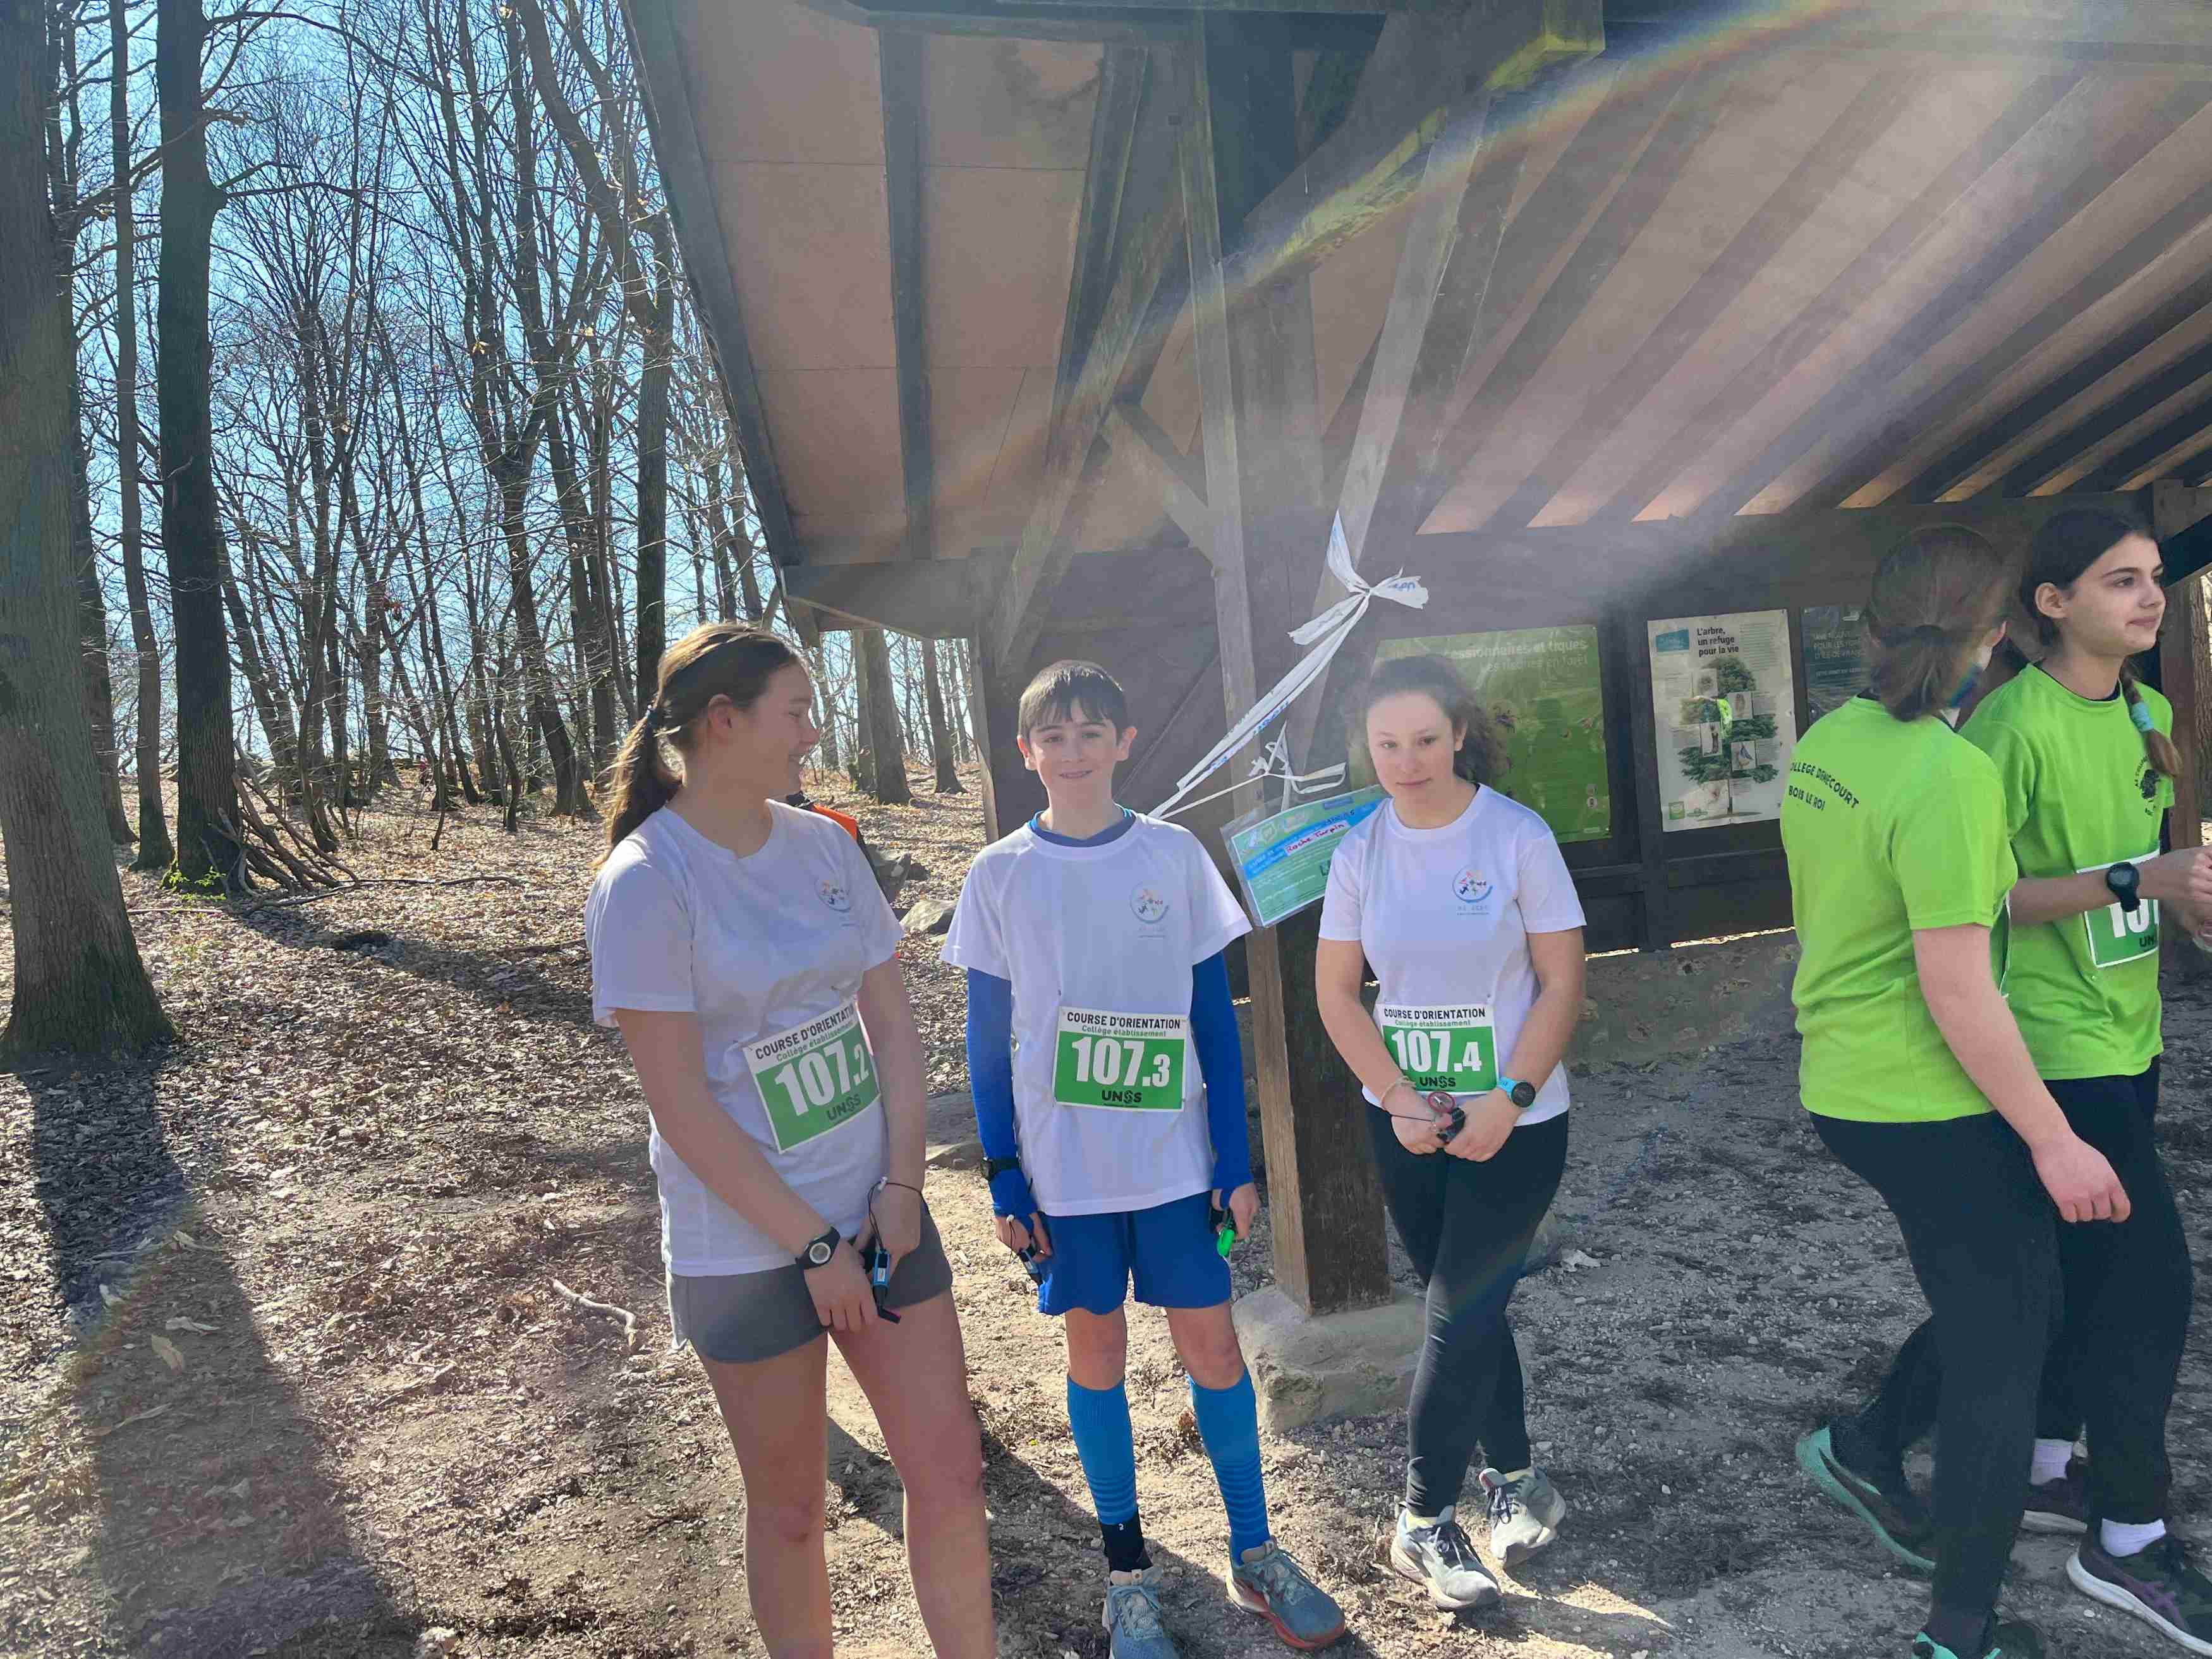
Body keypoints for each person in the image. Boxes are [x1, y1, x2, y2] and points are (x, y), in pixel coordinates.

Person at [585, 623, 994, 1658]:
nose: (815, 733)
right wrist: (812, 1244)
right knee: (794, 1512)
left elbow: (892, 1026)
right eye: (797, 713)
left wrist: (901, 1187)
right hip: (745, 1250)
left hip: (881, 1213)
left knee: (950, 1471)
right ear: (723, 722)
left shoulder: (825, 844)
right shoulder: (646, 879)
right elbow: (680, 1106)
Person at [944, 660, 1347, 1657]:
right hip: (1066, 1173)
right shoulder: (999, 873)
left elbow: (1215, 1013)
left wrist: (1234, 1158)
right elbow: (985, 1037)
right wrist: (1002, 1170)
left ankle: (1255, 1549)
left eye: (1093, 732)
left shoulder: (1173, 855)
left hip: (1173, 1165)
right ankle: (1128, 1574)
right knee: (1098, 1359)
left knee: (1215, 1351)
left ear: (1125, 744)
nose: (1073, 751)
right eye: (1054, 735)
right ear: (1025, 751)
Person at [1784, 526, 2132, 1659]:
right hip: (1926, 1101)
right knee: (2004, 1361)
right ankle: (1961, 1635)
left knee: (2009, 1300)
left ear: (1871, 629)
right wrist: (2055, 1137)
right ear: (1997, 639)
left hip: (1845, 1080)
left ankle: (1865, 1447)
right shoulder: (1951, 774)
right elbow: (1957, 985)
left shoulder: (1830, 739)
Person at [1959, 510, 2209, 1646]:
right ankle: (2129, 1539)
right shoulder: (2007, 725)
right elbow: (1982, 896)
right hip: (2052, 1047)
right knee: (2151, 1283)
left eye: (2154, 577)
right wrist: (2136, 879)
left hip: (2130, 1031)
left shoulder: (2148, 710)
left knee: (2075, 1269)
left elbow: (2151, 868)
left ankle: (2045, 1465)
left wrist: (2181, 900)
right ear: (2052, 602)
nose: (2150, 597)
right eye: (2121, 580)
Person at [1313, 654, 1588, 1612]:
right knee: (1468, 1305)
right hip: (1409, 1124)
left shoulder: (1516, 836)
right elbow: (1337, 993)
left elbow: (1563, 979)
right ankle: (1515, 1474)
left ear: (1460, 734)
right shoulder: (1360, 852)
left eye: (1426, 739)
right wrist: (1395, 1095)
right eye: (1387, 744)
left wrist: (1510, 1094)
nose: (1407, 761)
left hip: (1518, 1119)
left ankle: (1421, 1518)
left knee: (1458, 1308)